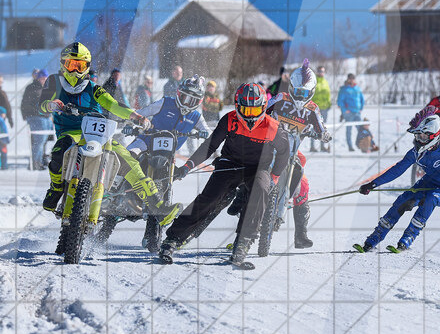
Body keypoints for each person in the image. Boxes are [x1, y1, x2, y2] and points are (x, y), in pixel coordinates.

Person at [38, 42, 181, 227]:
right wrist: (50, 105)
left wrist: (136, 117)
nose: (74, 71)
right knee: (58, 152)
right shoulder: (53, 82)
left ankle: (157, 206)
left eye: (79, 66)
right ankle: (56, 188)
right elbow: (42, 105)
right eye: (70, 65)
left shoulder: (93, 87)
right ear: (62, 65)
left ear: (86, 67)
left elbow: (113, 105)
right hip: (70, 133)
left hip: (96, 133)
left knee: (127, 160)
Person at [161, 82, 291, 268]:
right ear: (237, 106)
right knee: (209, 198)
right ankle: (173, 238)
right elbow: (210, 145)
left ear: (263, 108)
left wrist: (275, 177)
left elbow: (284, 152)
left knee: (261, 189)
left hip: (257, 168)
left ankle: (243, 243)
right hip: (230, 163)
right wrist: (188, 165)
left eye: (254, 111)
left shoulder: (273, 127)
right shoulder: (229, 119)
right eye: (245, 110)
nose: (249, 116)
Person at [354, 114, 440, 253]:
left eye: (422, 137)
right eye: (417, 136)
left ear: (433, 135)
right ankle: (374, 239)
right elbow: (397, 170)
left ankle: (408, 238)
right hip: (426, 183)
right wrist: (373, 184)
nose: (418, 140)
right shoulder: (416, 153)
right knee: (403, 200)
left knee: (431, 199)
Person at [126, 76, 211, 248]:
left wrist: (204, 135)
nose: (188, 103)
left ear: (199, 101)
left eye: (193, 100)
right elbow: (140, 113)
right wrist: (132, 123)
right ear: (179, 94)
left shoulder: (196, 116)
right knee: (129, 155)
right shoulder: (165, 102)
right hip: (146, 141)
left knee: (166, 186)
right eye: (185, 97)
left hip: (168, 156)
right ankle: (117, 188)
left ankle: (153, 231)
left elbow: (208, 132)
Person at [261, 61, 330, 248]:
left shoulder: (312, 109)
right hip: (269, 147)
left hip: (292, 152)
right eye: (298, 92)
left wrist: (322, 134)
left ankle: (300, 235)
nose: (301, 96)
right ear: (291, 88)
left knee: (304, 187)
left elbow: (322, 129)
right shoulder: (279, 99)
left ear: (312, 91)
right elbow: (260, 111)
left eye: (305, 93)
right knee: (252, 173)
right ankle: (241, 222)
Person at [22, 69, 51, 169]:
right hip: (36, 117)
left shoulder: (47, 88)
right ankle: (35, 163)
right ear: (38, 78)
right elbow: (25, 104)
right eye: (42, 78)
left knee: (44, 140)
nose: (43, 80)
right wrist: (37, 110)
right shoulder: (31, 88)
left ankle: (40, 160)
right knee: (39, 140)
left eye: (45, 78)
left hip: (47, 117)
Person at [337, 73, 365, 151]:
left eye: (353, 78)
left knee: (360, 129)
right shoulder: (344, 89)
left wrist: (361, 108)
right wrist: (345, 111)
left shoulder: (357, 88)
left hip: (357, 112)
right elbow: (340, 101)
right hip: (348, 113)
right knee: (349, 130)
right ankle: (350, 146)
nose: (351, 80)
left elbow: (362, 99)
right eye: (350, 78)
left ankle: (361, 145)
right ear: (348, 79)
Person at [311, 65, 332, 152]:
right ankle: (312, 146)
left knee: (323, 127)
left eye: (322, 71)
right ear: (317, 72)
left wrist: (329, 104)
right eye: (319, 71)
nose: (321, 73)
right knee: (314, 127)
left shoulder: (325, 82)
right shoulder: (313, 82)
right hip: (315, 109)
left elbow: (328, 94)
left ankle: (323, 146)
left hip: (324, 108)